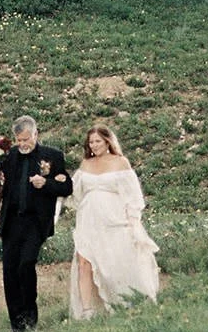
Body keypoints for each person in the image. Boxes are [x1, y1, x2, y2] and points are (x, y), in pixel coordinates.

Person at [67, 124, 159, 319]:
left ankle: (124, 300)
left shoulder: (121, 162)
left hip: (114, 220)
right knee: (84, 260)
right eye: (90, 142)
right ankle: (87, 311)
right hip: (88, 220)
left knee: (114, 260)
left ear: (107, 141)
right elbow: (72, 192)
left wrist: (133, 221)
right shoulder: (86, 164)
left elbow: (133, 195)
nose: (94, 145)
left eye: (97, 141)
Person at [0, 116, 72, 332]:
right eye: (19, 140)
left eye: (26, 139)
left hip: (35, 222)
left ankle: (30, 320)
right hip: (11, 222)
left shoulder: (52, 156)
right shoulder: (8, 157)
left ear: (35, 134)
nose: (22, 144)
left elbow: (66, 187)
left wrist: (46, 183)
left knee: (26, 265)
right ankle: (16, 327)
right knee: (9, 271)